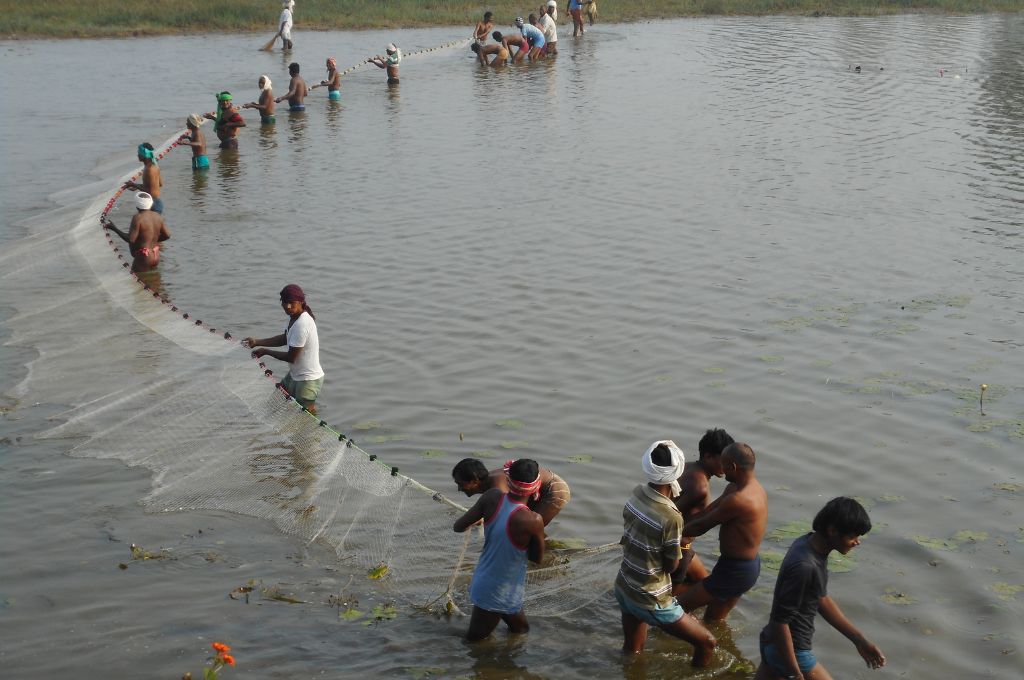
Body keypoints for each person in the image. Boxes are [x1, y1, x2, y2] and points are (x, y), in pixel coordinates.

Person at [754, 497, 886, 680]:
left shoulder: (809, 545)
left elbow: (820, 598)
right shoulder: (805, 566)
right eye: (852, 536)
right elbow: (780, 621)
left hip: (772, 643)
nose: (857, 542)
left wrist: (859, 640)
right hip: (791, 651)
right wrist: (794, 673)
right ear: (832, 531)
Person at [614, 440, 717, 665]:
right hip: (649, 597)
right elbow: (671, 566)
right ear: (676, 472)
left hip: (624, 586)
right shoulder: (671, 517)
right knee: (707, 642)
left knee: (633, 651)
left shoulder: (636, 494)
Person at [454, 458, 546, 642]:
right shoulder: (533, 520)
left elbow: (458, 526)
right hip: (499, 590)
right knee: (474, 643)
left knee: (521, 631)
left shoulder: (491, 496)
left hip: (488, 580)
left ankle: (504, 667)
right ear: (536, 487)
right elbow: (537, 558)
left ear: (509, 479)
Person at [677, 442, 767, 623]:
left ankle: (695, 644)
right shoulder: (744, 488)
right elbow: (707, 512)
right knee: (712, 622)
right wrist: (679, 525)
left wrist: (663, 533)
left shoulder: (739, 499)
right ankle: (712, 646)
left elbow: (701, 526)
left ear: (733, 466)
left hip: (735, 570)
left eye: (724, 465)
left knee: (673, 610)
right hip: (744, 567)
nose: (722, 470)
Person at [242, 284, 324, 414]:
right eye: (285, 303)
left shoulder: (302, 324)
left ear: (301, 302)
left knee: (306, 417)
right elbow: (285, 338)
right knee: (274, 403)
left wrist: (266, 352)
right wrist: (257, 342)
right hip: (295, 376)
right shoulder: (294, 318)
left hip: (308, 380)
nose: (288, 307)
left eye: (292, 303)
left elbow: (291, 357)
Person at [672, 428, 734, 587]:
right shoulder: (700, 487)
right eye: (723, 460)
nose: (726, 466)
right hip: (679, 547)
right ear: (708, 456)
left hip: (677, 543)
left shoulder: (686, 467)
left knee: (702, 582)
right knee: (677, 592)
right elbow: (672, 518)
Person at [452, 458, 569, 526]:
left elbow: (506, 517)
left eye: (461, 484)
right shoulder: (488, 482)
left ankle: (545, 555)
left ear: (475, 481)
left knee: (529, 528)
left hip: (554, 490)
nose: (459, 489)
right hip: (536, 489)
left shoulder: (497, 487)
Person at [103, 192, 170, 273]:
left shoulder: (138, 218)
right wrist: (152, 241)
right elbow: (167, 235)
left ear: (137, 205)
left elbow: (131, 239)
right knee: (154, 282)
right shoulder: (157, 216)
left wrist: (114, 228)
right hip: (155, 254)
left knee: (137, 282)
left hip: (144, 257)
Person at [123, 143, 164, 214]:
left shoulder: (150, 169)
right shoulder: (154, 166)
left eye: (139, 153)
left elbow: (151, 192)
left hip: (152, 205)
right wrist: (136, 186)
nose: (138, 155)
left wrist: (135, 185)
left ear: (144, 154)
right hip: (155, 202)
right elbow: (159, 184)